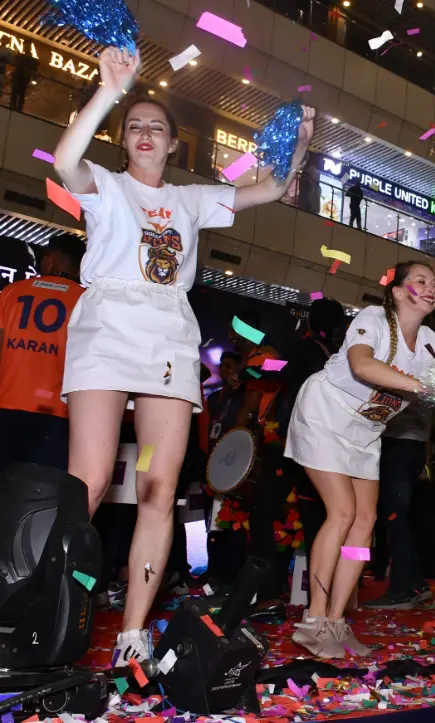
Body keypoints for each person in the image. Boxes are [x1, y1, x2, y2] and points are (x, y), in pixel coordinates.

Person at [52, 46, 316, 666]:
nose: (146, 133)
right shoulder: (105, 186)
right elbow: (64, 160)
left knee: (158, 487)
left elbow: (271, 186)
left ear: (173, 144)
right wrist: (109, 90)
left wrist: (300, 143)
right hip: (106, 330)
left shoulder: (191, 199)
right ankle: (48, 607)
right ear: (123, 140)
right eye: (134, 125)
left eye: (157, 127)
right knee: (88, 483)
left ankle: (133, 633)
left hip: (168, 338)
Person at [284, 261, 435, 658]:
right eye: (420, 281)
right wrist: (422, 385)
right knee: (342, 513)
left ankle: (336, 620)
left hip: (366, 431)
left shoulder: (430, 343)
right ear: (396, 291)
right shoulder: (374, 318)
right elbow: (361, 364)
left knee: (365, 522)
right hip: (324, 415)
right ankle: (314, 619)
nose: (431, 288)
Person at [250, 298, 348, 610]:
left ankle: (267, 591)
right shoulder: (338, 357)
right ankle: (318, 600)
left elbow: (269, 371)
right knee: (315, 519)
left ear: (309, 322)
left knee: (262, 513)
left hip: (290, 442)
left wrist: (255, 366)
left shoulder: (301, 350)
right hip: (322, 445)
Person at [0, 233, 86, 470]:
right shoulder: (86, 301)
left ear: (51, 258)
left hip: (7, 404)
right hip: (60, 413)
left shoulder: (11, 293)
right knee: (45, 484)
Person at [366, 403, 434, 609]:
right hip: (411, 444)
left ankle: (401, 590)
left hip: (399, 443)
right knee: (399, 519)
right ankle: (414, 583)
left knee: (395, 519)